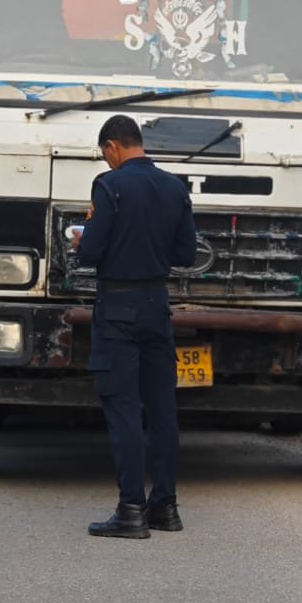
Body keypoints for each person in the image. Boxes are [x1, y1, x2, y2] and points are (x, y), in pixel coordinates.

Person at [74, 114, 197, 540]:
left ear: (112, 146)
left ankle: (130, 510)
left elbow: (89, 252)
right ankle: (165, 507)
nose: (106, 161)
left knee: (123, 407)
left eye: (104, 153)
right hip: (157, 306)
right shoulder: (175, 187)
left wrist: (81, 238)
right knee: (162, 410)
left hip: (118, 309)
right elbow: (185, 253)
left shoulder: (109, 187)